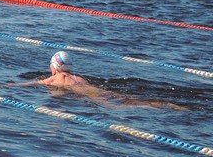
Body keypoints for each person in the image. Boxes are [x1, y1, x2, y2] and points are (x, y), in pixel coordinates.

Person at [13, 52, 185, 110]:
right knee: (128, 99)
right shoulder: (77, 77)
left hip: (90, 95)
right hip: (98, 90)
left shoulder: (55, 78)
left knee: (117, 107)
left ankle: (160, 107)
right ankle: (167, 104)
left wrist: (8, 86)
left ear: (54, 66)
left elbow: (32, 84)